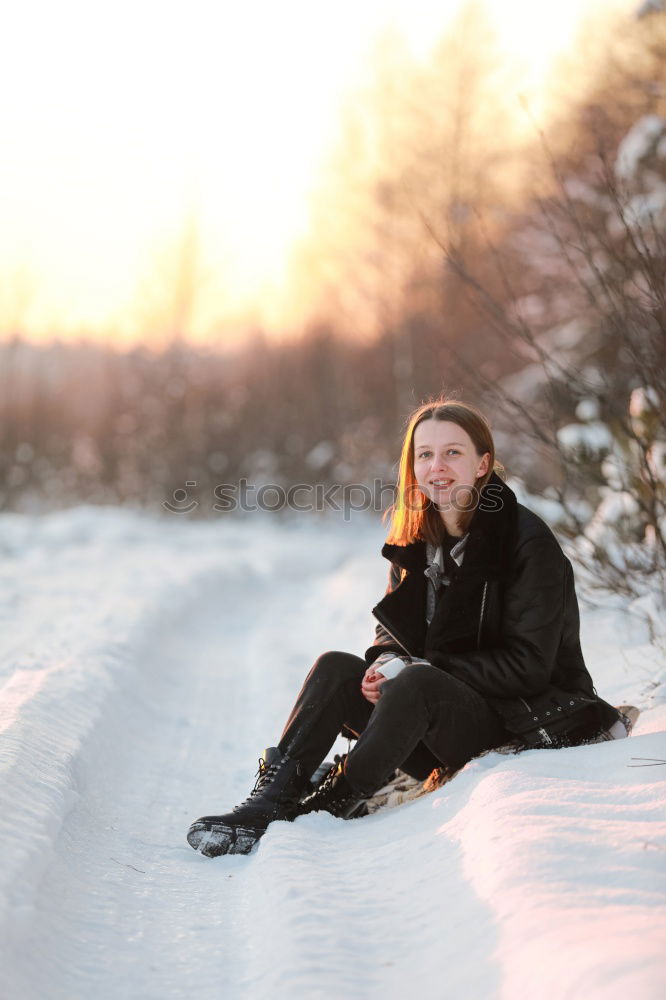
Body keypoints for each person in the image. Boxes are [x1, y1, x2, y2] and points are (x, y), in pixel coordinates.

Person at [187, 399, 623, 857]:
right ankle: (268, 803)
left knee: (415, 681)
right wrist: (387, 664)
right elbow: (392, 635)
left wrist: (418, 669)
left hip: (517, 723)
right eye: (424, 455)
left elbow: (530, 667)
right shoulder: (418, 537)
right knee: (336, 669)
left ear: (483, 464)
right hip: (430, 720)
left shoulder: (526, 544)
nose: (437, 467)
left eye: (453, 453)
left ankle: (332, 802)